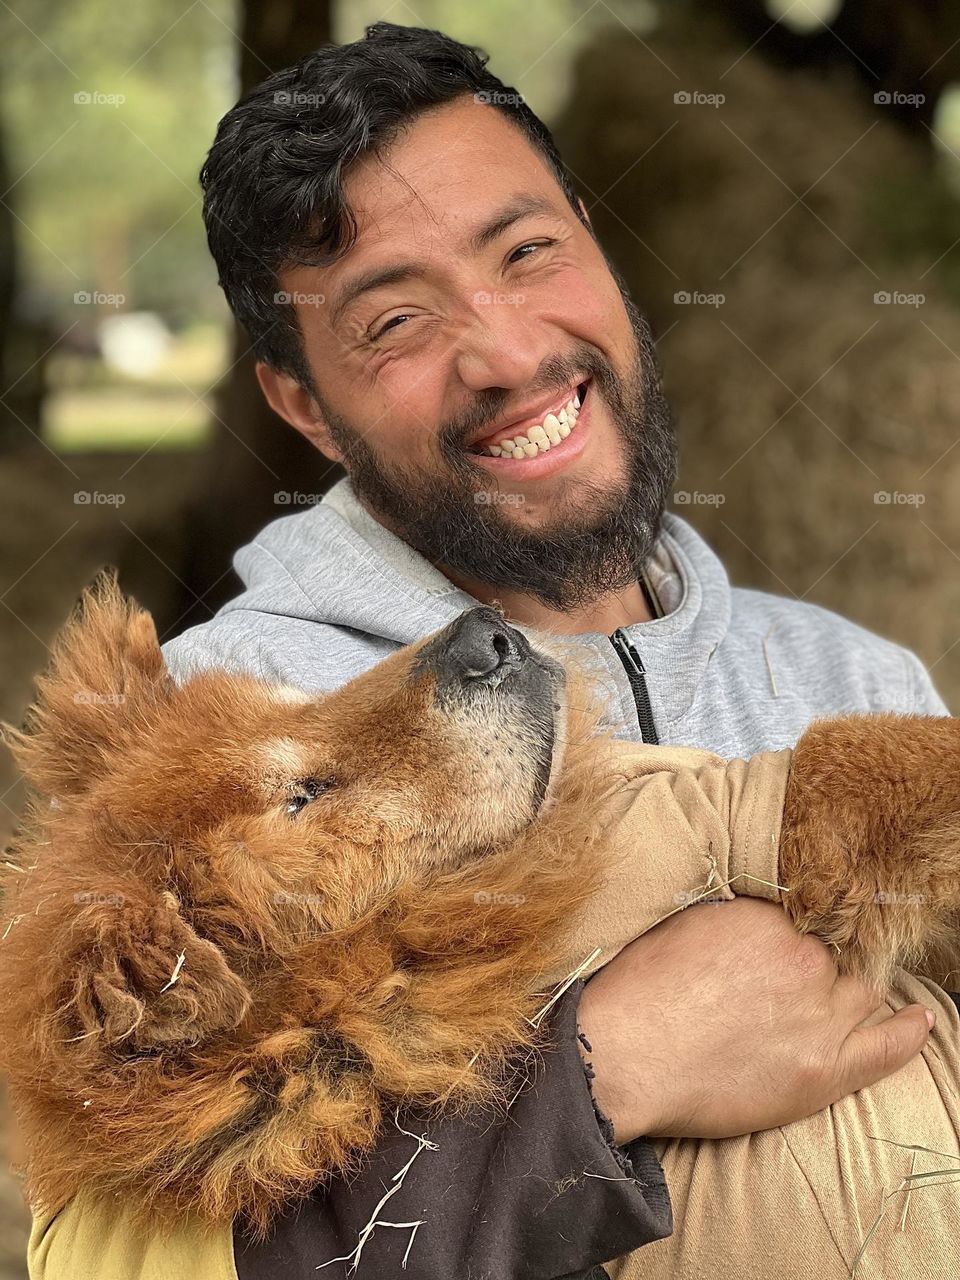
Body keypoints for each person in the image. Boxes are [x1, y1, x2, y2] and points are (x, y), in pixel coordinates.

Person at [26, 21, 947, 1280]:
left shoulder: (856, 680)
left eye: (528, 251)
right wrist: (607, 1068)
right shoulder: (216, 743)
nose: (511, 354)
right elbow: (108, 1257)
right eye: (397, 321)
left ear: (595, 240)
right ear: (306, 405)